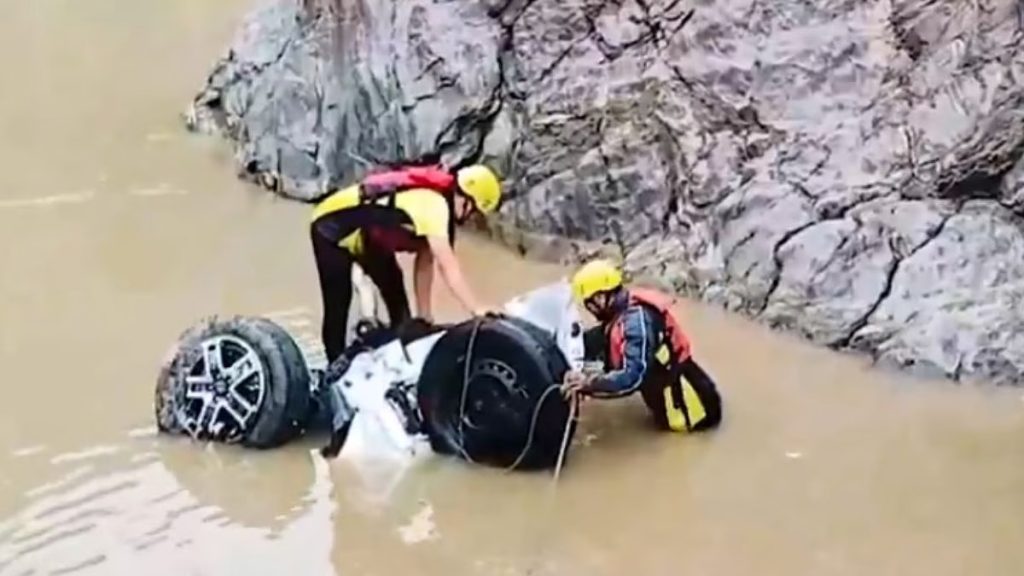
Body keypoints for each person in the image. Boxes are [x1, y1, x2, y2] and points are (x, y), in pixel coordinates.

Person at [310, 161, 502, 364]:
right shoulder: (434, 206)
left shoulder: (443, 215)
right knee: (338, 304)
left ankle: (396, 363)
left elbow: (426, 262)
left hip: (369, 240)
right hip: (330, 228)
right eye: (473, 213)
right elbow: (448, 267)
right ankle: (334, 368)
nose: (470, 218)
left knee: (400, 309)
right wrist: (477, 309)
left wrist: (424, 317)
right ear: (468, 201)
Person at [561, 259, 723, 433]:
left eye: (589, 304)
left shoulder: (636, 324)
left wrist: (588, 384)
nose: (590, 310)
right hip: (679, 393)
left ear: (601, 298)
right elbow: (600, 338)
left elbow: (633, 377)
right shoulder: (622, 308)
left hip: (689, 411)